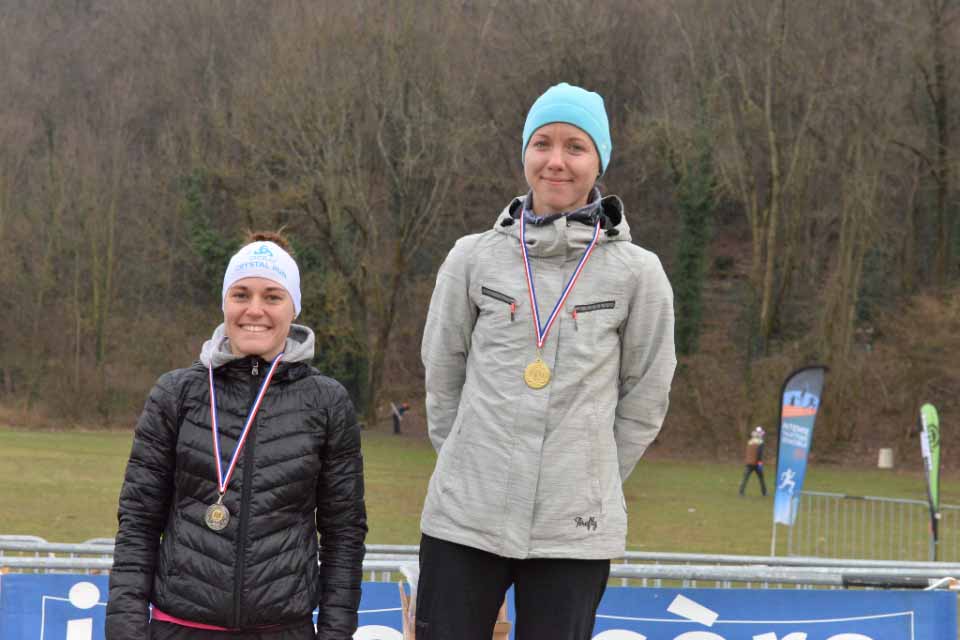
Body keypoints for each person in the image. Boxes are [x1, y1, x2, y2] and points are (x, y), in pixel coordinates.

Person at [417, 83, 677, 639]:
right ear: (525, 154)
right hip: (465, 519)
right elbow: (442, 380)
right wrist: (470, 465)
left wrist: (590, 476)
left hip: (573, 532)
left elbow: (646, 399)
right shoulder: (471, 259)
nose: (556, 161)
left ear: (598, 160)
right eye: (543, 143)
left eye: (575, 146)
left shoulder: (638, 274)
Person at [106, 231, 367, 640]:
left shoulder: (327, 402)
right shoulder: (176, 394)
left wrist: (335, 633)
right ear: (225, 302)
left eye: (272, 296)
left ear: (294, 307)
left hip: (284, 630)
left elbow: (344, 533)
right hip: (181, 628)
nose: (255, 310)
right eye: (241, 294)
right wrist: (125, 628)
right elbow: (138, 521)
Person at [739, 426, 767, 496]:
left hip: (749, 463)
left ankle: (741, 492)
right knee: (761, 478)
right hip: (756, 463)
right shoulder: (760, 442)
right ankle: (764, 492)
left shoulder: (750, 441)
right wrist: (760, 463)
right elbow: (759, 453)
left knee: (745, 477)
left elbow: (748, 452)